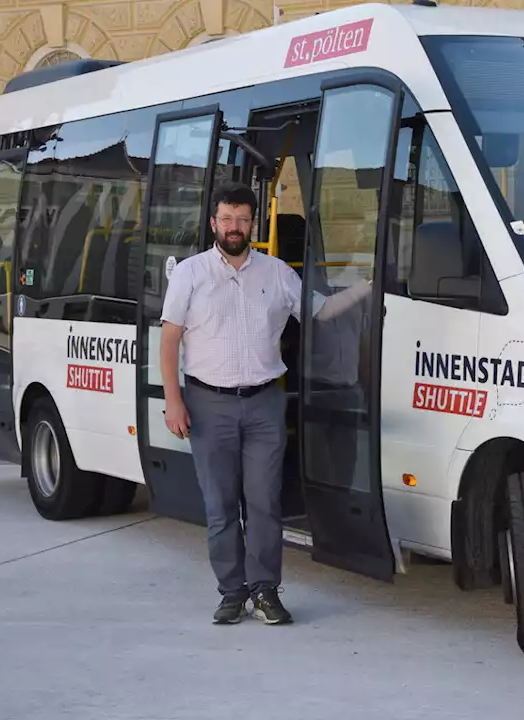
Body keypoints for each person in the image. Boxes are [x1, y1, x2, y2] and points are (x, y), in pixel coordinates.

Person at [159, 183, 370, 626]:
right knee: (219, 508)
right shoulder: (191, 274)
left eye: (242, 219)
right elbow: (169, 338)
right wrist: (173, 401)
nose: (234, 227)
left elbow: (322, 311)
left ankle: (265, 590)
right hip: (207, 403)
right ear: (214, 223)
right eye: (227, 219)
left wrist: (368, 285)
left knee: (263, 505)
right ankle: (231, 592)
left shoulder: (277, 273)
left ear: (253, 224)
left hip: (263, 405)